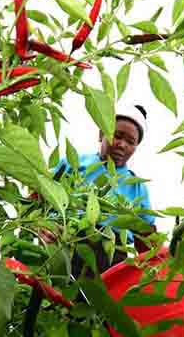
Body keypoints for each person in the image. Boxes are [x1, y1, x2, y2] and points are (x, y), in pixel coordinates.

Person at [39, 103, 158, 276]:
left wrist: (173, 256)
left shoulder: (136, 187)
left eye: (130, 142)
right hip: (64, 245)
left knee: (98, 300)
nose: (122, 145)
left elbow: (146, 240)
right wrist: (44, 225)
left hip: (111, 261)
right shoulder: (75, 164)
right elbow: (40, 196)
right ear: (101, 133)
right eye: (117, 136)